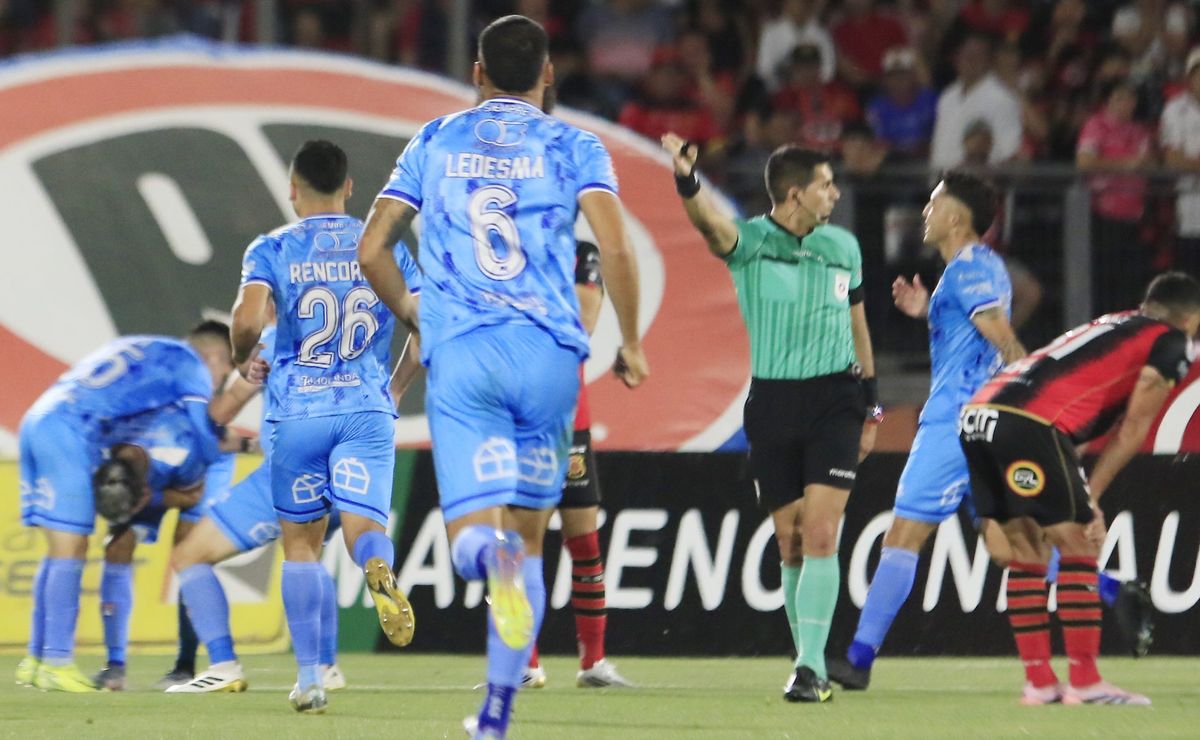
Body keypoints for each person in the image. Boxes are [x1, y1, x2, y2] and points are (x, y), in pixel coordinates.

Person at [357, 15, 648, 738]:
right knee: (529, 537)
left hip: (467, 355)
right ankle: (495, 715)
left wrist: (413, 310)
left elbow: (372, 248)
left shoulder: (435, 139)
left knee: (481, 543)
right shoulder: (576, 145)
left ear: (477, 73)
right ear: (548, 74)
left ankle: (491, 564)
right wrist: (632, 340)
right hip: (550, 359)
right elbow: (616, 246)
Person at [660, 131, 879, 703]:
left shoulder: (843, 247)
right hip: (774, 402)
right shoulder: (752, 241)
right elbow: (710, 225)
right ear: (795, 193)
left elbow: (858, 325)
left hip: (836, 400)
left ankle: (811, 667)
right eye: (825, 185)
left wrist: (873, 403)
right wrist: (688, 180)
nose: (835, 193)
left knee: (823, 532)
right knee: (791, 542)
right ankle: (807, 660)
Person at [231, 139, 415, 715]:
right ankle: (377, 566)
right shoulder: (381, 245)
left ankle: (310, 678)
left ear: (293, 189)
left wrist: (243, 357)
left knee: (301, 546)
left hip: (298, 414)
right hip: (365, 409)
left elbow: (247, 319)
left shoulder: (272, 248)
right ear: (349, 188)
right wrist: (396, 388)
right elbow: (425, 323)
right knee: (363, 527)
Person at [959, 271, 1200, 706]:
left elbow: (1077, 407)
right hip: (1031, 421)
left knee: (1027, 551)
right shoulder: (1171, 340)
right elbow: (1134, 427)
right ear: (1192, 318)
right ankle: (1086, 682)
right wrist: (1092, 497)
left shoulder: (1112, 324)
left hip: (979, 415)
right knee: (1079, 544)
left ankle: (1039, 683)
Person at [826, 171, 1025, 690]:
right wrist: (929, 310)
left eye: (934, 204)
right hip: (980, 421)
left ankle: (858, 660)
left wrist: (1033, 400)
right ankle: (1114, 590)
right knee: (1005, 546)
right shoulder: (976, 268)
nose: (925, 212)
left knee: (903, 536)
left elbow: (1004, 339)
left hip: (954, 423)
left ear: (956, 217)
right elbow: (975, 335)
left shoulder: (969, 270)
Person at [14, 330, 248, 692]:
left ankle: (37, 659)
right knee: (71, 549)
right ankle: (58, 662)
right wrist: (205, 466)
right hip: (72, 433)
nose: (219, 380)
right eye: (224, 370)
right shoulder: (190, 364)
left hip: (40, 419)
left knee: (57, 548)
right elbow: (204, 431)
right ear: (215, 358)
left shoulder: (142, 348)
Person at [90, 320, 239, 691]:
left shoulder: (216, 399)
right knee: (118, 544)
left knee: (189, 552)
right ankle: (114, 666)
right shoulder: (164, 377)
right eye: (225, 364)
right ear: (212, 357)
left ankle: (185, 665)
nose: (226, 373)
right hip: (158, 458)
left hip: (204, 465)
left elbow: (216, 442)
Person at [524, 241, 631, 690]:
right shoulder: (503, 252)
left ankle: (594, 662)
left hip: (570, 420)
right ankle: (523, 664)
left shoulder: (579, 252)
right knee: (520, 546)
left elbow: (582, 322)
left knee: (585, 541)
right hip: (517, 420)